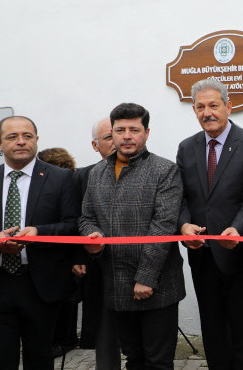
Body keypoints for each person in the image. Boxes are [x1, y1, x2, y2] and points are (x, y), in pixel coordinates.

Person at [79, 103, 185, 370]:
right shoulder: (97, 174)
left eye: (134, 129)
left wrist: (146, 278)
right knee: (134, 359)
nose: (127, 135)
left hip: (157, 286)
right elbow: (86, 217)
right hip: (116, 284)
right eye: (120, 130)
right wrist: (92, 236)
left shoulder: (165, 170)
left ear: (146, 133)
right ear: (112, 134)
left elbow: (163, 226)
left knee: (158, 362)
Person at [176, 79, 243, 370]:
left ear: (229, 106)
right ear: (194, 110)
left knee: (242, 333)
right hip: (201, 255)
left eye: (214, 105)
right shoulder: (186, 147)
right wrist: (183, 226)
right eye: (201, 107)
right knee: (212, 332)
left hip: (238, 254)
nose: (208, 112)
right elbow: (181, 199)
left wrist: (238, 228)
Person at [0, 116, 79, 369]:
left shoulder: (60, 179)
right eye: (13, 137)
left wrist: (40, 232)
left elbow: (73, 225)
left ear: (37, 140)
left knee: (40, 360)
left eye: (27, 136)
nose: (21, 142)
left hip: (41, 286)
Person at [73, 117, 120, 369]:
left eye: (119, 133)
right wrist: (78, 258)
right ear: (95, 145)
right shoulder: (83, 176)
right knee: (104, 330)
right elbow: (75, 219)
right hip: (97, 266)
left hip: (135, 263)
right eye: (108, 137)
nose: (116, 141)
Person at [36, 147, 81, 358]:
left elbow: (74, 221)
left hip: (67, 249)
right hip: (59, 250)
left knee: (66, 300)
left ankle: (64, 340)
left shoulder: (67, 182)